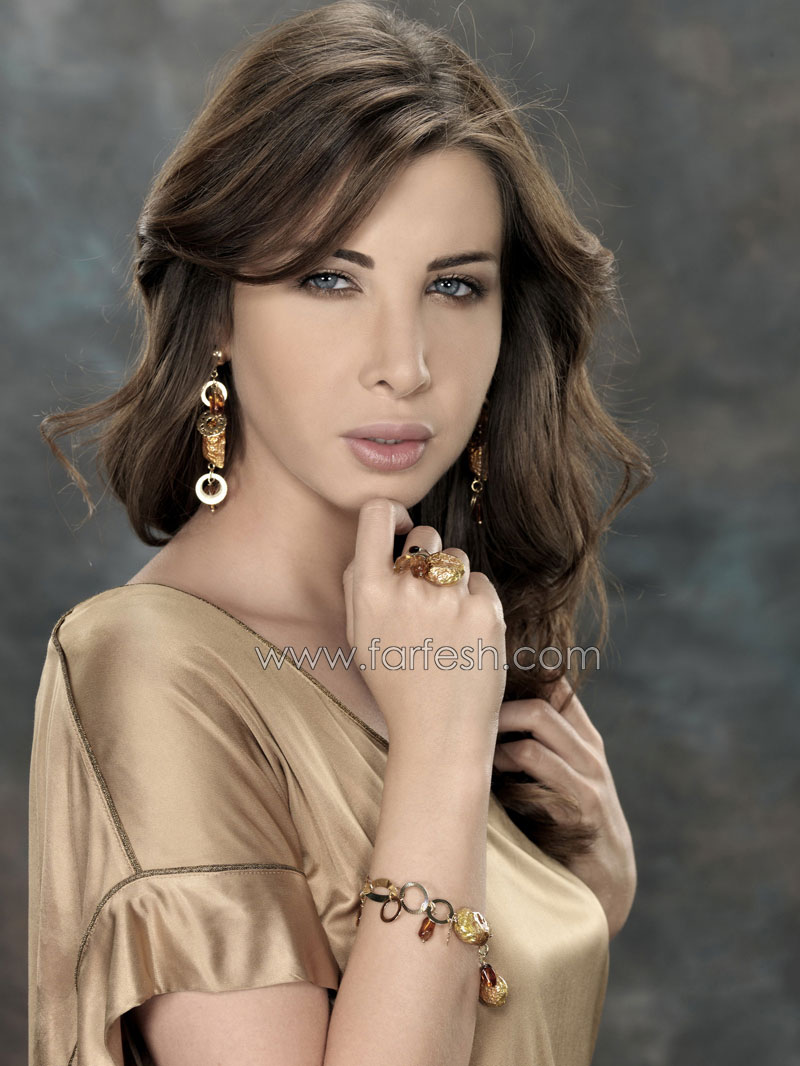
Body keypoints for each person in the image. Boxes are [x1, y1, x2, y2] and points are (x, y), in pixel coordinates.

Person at [29, 2, 653, 1063]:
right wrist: (442, 751)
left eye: (453, 286)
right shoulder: (147, 669)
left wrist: (589, 891)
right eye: (328, 279)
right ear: (217, 313)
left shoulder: (440, 641)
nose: (405, 363)